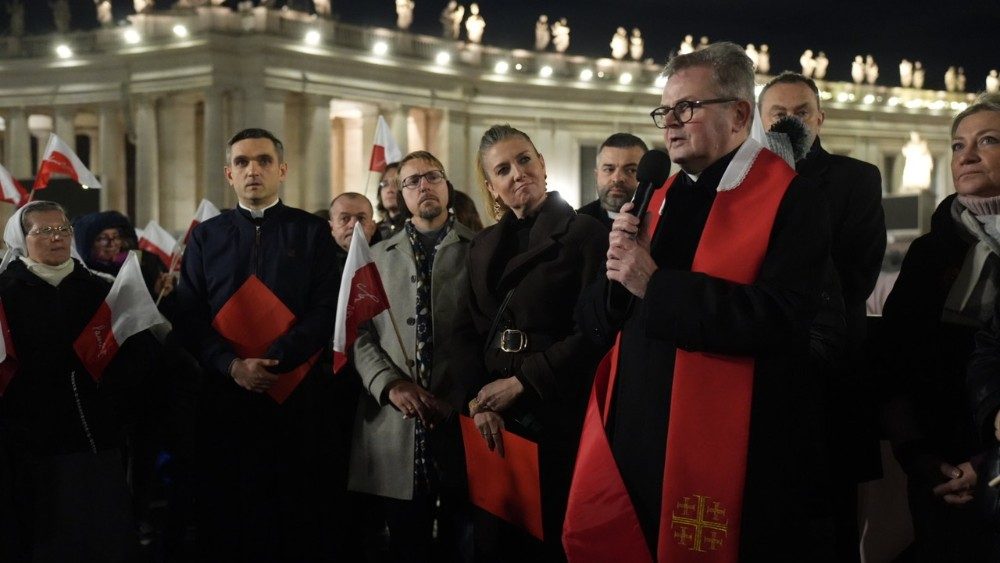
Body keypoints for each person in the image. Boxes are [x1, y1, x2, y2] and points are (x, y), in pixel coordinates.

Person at [564, 42, 831, 561]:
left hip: (733, 443)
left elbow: (780, 318)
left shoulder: (793, 199)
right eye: (665, 110)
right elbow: (603, 319)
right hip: (640, 431)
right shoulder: (657, 195)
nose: (669, 123)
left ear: (740, 114)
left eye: (687, 107)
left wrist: (654, 285)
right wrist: (617, 274)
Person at [175, 128, 341, 562]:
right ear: (228, 174)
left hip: (295, 395)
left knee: (295, 512)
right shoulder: (205, 237)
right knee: (227, 514)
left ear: (282, 170)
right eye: (243, 162)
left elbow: (326, 309)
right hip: (223, 396)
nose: (253, 170)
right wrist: (231, 365)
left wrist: (275, 361)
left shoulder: (311, 232)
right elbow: (188, 314)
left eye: (264, 160)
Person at [759, 71, 886, 563]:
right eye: (779, 114)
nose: (790, 122)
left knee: (833, 529)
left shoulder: (857, 179)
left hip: (831, 381)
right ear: (759, 121)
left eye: (801, 113)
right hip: (761, 379)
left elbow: (858, 277)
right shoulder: (739, 181)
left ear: (820, 119)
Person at [467, 124, 608, 561]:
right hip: (494, 420)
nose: (518, 173)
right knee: (498, 544)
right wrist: (477, 402)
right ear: (491, 186)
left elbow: (595, 333)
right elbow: (468, 331)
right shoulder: (482, 244)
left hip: (557, 411)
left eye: (524, 159)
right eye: (503, 169)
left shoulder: (585, 234)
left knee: (552, 541)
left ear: (542, 164)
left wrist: (523, 382)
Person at [0, 201, 156, 562]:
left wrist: (115, 400)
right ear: (21, 239)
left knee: (98, 530)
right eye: (44, 231)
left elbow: (138, 354)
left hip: (95, 433)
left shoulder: (102, 289)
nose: (56, 238)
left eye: (62, 229)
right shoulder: (6, 292)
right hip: (27, 440)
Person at [885, 92, 1000, 561]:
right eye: (957, 145)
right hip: (938, 469)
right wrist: (920, 458)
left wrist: (989, 463)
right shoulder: (928, 253)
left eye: (987, 140)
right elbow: (895, 361)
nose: (966, 156)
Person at [349, 150, 478, 563]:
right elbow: (359, 334)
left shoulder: (479, 250)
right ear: (401, 194)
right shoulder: (374, 257)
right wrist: (389, 384)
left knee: (464, 541)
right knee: (407, 544)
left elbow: (489, 333)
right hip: (396, 423)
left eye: (432, 176)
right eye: (412, 181)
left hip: (461, 418)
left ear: (447, 185)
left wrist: (459, 393)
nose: (424, 186)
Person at [577, 133, 649, 230]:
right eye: (609, 169)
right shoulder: (576, 225)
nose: (617, 178)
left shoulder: (663, 220)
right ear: (596, 175)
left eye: (631, 170)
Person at [330, 192, 378, 268]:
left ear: (373, 227)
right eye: (344, 218)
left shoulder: (387, 262)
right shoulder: (316, 264)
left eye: (361, 218)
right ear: (331, 228)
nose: (353, 225)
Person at [377, 163, 406, 240]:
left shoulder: (417, 227)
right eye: (385, 184)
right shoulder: (374, 231)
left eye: (396, 183)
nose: (389, 190)